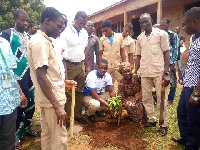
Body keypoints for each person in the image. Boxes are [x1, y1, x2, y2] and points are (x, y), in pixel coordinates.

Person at [27, 7, 76, 150]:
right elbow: (41, 77)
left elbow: (48, 74)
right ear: (48, 21)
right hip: (52, 101)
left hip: (48, 99)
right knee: (59, 139)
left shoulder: (43, 40)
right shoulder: (40, 42)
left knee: (48, 137)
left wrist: (64, 82)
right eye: (59, 26)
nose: (61, 29)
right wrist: (58, 106)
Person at [0, 9, 36, 148]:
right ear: (15, 19)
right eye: (22, 20)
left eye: (27, 20)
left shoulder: (28, 35)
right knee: (20, 103)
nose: (26, 23)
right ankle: (16, 134)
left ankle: (27, 128)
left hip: (29, 73)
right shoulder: (7, 34)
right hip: (15, 75)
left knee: (31, 101)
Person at [133, 13, 170, 136]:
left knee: (161, 99)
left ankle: (163, 125)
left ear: (151, 21)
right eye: (141, 23)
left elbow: (166, 53)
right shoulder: (140, 38)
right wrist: (134, 72)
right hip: (145, 72)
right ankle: (151, 120)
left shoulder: (161, 34)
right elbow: (138, 56)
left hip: (158, 72)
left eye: (146, 22)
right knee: (147, 98)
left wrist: (166, 72)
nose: (144, 25)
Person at [172, 7, 200, 150]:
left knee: (194, 119)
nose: (183, 27)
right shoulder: (195, 38)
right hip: (188, 85)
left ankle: (192, 146)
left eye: (185, 24)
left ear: (194, 21)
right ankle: (185, 138)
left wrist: (196, 92)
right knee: (181, 111)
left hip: (196, 87)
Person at [61, 11, 90, 125]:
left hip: (80, 65)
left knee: (79, 91)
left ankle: (77, 115)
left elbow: (85, 50)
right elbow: (62, 54)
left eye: (83, 23)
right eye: (80, 22)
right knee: (68, 91)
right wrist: (66, 74)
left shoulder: (84, 33)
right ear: (75, 19)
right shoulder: (66, 32)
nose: (81, 25)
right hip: (69, 65)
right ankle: (67, 118)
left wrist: (87, 66)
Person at [0, 37, 28, 150]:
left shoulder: (4, 43)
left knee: (8, 139)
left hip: (9, 102)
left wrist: (20, 93)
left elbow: (10, 71)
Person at [118, 62, 147, 127]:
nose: (127, 73)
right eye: (124, 72)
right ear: (121, 73)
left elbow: (147, 85)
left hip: (140, 95)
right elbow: (120, 97)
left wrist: (141, 95)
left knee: (143, 103)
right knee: (132, 105)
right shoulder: (121, 83)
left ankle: (144, 118)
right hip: (128, 98)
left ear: (131, 70)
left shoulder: (137, 78)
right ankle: (139, 120)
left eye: (129, 71)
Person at [160, 17, 179, 105]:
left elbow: (175, 50)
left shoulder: (173, 35)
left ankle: (170, 99)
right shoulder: (159, 34)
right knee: (161, 80)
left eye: (164, 25)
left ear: (168, 25)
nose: (162, 26)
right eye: (161, 25)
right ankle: (161, 97)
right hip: (160, 63)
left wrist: (172, 63)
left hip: (170, 63)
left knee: (172, 81)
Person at [52, 14, 68, 80]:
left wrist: (66, 78)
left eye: (65, 23)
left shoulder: (63, 40)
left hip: (61, 77)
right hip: (51, 78)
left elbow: (63, 60)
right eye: (62, 23)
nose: (63, 26)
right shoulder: (48, 39)